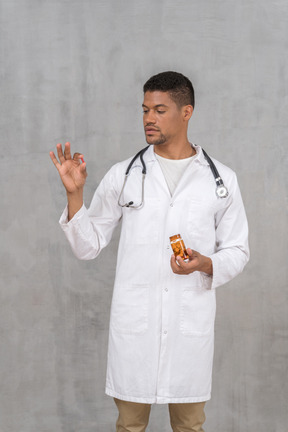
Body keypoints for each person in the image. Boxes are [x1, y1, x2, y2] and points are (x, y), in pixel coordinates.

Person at [49, 71, 249, 432]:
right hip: (135, 329)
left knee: (190, 426)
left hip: (189, 326)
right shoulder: (124, 174)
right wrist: (75, 195)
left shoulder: (221, 181)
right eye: (145, 110)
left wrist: (207, 264)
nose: (148, 119)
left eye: (159, 110)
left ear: (186, 112)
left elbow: (237, 249)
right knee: (129, 426)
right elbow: (87, 246)